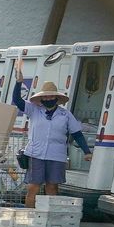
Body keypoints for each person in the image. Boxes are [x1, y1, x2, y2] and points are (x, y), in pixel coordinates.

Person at [10, 79, 92, 208]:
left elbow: (77, 134)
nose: (49, 98)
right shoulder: (34, 109)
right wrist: (19, 82)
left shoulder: (65, 114)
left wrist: (87, 151)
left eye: (51, 96)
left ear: (56, 97)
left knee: (52, 187)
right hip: (36, 154)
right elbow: (17, 100)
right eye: (46, 96)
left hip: (56, 156)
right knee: (33, 187)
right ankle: (29, 216)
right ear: (42, 98)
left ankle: (48, 217)